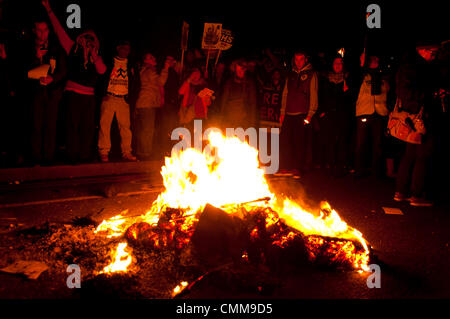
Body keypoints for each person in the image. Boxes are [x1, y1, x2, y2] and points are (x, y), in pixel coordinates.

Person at [42, 0, 107, 164]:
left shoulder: (96, 56)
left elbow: (102, 70)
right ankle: (72, 156)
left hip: (89, 96)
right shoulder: (72, 48)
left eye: (91, 39)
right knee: (72, 126)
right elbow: (59, 31)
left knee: (87, 127)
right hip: (73, 93)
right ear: (80, 39)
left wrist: (93, 54)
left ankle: (84, 156)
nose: (88, 41)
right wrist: (49, 9)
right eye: (86, 38)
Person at [393, 41, 443, 207]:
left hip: (411, 116)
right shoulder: (415, 67)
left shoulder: (410, 65)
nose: (433, 55)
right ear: (423, 50)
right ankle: (416, 194)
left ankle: (401, 191)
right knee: (423, 154)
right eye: (432, 52)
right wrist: (429, 98)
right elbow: (409, 92)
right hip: (419, 117)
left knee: (410, 154)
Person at [277, 50, 319, 179]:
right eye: (296, 59)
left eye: (301, 59)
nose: (298, 62)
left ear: (306, 59)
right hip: (289, 113)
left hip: (302, 113)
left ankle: (297, 168)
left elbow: (314, 94)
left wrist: (310, 114)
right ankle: (284, 167)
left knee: (299, 142)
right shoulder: (291, 74)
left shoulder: (311, 74)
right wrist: (282, 112)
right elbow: (285, 93)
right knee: (285, 141)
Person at [97, 40, 136, 162]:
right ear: (118, 48)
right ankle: (104, 152)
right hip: (110, 97)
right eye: (124, 48)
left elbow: (135, 82)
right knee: (105, 125)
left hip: (123, 98)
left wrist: (130, 98)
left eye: (128, 49)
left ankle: (127, 152)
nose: (126, 51)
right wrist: (102, 93)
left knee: (125, 127)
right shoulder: (110, 61)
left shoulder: (131, 64)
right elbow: (101, 76)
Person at [354, 53, 390, 178]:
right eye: (372, 60)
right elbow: (356, 75)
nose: (374, 62)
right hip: (364, 112)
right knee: (361, 144)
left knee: (378, 144)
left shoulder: (384, 76)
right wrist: (361, 62)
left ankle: (376, 172)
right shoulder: (363, 75)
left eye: (376, 59)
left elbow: (389, 93)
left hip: (379, 113)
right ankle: (359, 170)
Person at [317, 56, 353, 177]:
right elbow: (322, 96)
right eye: (336, 63)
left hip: (342, 114)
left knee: (342, 140)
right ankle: (329, 163)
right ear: (332, 65)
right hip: (329, 114)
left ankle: (341, 165)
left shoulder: (348, 78)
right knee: (329, 139)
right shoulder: (326, 79)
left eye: (340, 63)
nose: (338, 65)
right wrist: (322, 112)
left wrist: (347, 91)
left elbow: (350, 99)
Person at [134, 52, 172, 160]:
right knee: (147, 130)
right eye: (150, 57)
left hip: (145, 103)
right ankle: (144, 154)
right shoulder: (149, 71)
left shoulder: (144, 70)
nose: (154, 58)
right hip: (147, 103)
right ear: (145, 61)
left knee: (144, 129)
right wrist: (166, 68)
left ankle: (142, 152)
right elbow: (161, 81)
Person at [220, 59, 258, 130]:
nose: (241, 70)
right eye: (239, 67)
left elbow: (253, 104)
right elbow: (223, 101)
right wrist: (221, 119)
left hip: (243, 122)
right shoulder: (229, 82)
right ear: (235, 68)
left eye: (243, 68)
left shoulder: (249, 83)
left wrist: (252, 124)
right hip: (229, 120)